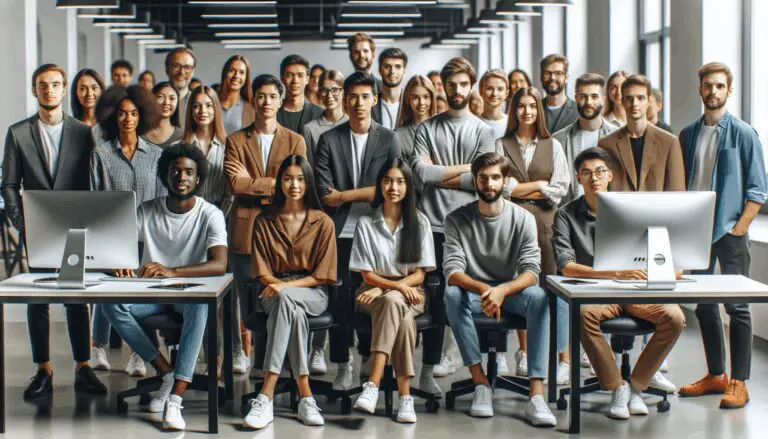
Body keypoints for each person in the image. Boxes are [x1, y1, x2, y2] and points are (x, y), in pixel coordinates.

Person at [553, 147, 685, 419]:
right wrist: (614, 274)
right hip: (597, 293)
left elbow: (658, 251)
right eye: (587, 173)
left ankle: (637, 385)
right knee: (582, 314)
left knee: (674, 317)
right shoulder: (565, 215)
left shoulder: (632, 209)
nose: (594, 178)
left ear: (610, 175)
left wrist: (663, 268)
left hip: (636, 290)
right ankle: (616, 386)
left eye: (600, 171)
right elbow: (566, 265)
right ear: (578, 178)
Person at [103, 144, 228, 431]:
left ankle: (175, 399)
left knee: (200, 305)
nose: (181, 177)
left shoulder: (211, 214)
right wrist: (119, 264)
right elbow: (117, 250)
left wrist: (172, 271)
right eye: (175, 171)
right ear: (165, 176)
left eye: (188, 172)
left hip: (190, 293)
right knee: (111, 303)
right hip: (152, 294)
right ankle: (166, 371)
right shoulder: (146, 210)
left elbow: (219, 264)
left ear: (198, 179)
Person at [2, 63, 106, 400]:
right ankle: (43, 368)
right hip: (38, 230)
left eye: (56, 84)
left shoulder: (82, 132)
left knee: (76, 299)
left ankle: (83, 366)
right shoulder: (18, 133)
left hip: (75, 229)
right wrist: (23, 226)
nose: (49, 90)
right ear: (35, 90)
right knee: (38, 299)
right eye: (43, 85)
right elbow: (8, 185)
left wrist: (90, 226)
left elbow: (93, 185)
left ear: (65, 91)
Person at [442, 152, 559, 427]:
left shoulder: (524, 218)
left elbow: (532, 271)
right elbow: (453, 272)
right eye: (483, 178)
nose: (489, 184)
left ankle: (536, 393)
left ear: (505, 181)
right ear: (475, 181)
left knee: (540, 297)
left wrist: (502, 290)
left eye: (496, 177)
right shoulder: (456, 219)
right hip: (475, 292)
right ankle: (480, 382)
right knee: (451, 294)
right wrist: (487, 289)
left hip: (511, 292)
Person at [678, 62, 768, 409]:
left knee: (738, 307)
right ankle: (716, 375)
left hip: (730, 231)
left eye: (719, 86)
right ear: (700, 89)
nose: (712, 92)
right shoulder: (687, 134)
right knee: (704, 306)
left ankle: (739, 382)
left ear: (728, 91)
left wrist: (739, 228)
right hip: (695, 233)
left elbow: (758, 190)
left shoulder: (744, 133)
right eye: (707, 86)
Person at [314, 72, 402, 391]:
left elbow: (391, 189)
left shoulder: (389, 138)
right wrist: (364, 192)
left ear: (375, 100)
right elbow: (325, 194)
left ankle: (367, 354)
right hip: (339, 234)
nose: (359, 103)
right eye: (352, 96)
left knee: (370, 296)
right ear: (344, 99)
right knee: (340, 299)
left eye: (365, 97)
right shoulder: (329, 139)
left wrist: (346, 195)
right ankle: (342, 364)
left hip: (379, 234)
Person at [410, 57, 495, 381]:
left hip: (469, 226)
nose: (457, 90)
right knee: (434, 297)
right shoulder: (426, 128)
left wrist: (443, 173)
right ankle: (430, 366)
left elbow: (483, 178)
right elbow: (421, 174)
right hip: (432, 226)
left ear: (470, 86)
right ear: (442, 87)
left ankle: (472, 361)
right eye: (451, 84)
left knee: (465, 295)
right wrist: (466, 168)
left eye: (463, 84)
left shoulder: (483, 130)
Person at [242, 155, 336, 430]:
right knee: (289, 309)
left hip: (312, 292)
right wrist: (280, 286)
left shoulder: (323, 222)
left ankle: (266, 393)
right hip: (273, 291)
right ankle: (305, 395)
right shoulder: (264, 220)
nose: (294, 185)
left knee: (287, 300)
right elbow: (262, 272)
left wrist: (285, 287)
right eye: (288, 178)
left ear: (308, 183)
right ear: (279, 182)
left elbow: (322, 275)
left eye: (300, 179)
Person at [224, 73, 308, 378]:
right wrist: (276, 184)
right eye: (260, 96)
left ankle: (273, 361)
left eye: (273, 96)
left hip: (283, 229)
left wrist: (256, 184)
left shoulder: (295, 140)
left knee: (274, 292)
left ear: (281, 100)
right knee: (246, 299)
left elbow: (297, 184)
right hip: (245, 229)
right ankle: (252, 357)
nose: (266, 102)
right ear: (253, 100)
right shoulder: (235, 140)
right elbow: (235, 183)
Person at [90, 85, 166, 377]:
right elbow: (95, 201)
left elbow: (160, 201)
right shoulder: (101, 154)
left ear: (142, 116)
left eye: (134, 113)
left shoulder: (157, 155)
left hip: (146, 238)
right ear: (113, 116)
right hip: (112, 237)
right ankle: (97, 346)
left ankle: (138, 353)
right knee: (107, 293)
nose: (128, 119)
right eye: (122, 113)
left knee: (141, 297)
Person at [351, 159, 435, 423]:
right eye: (387, 181)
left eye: (400, 181)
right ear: (380, 185)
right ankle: (405, 397)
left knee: (394, 303)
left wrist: (391, 288)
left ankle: (372, 384)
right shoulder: (365, 223)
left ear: (409, 186)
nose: (393, 187)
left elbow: (421, 273)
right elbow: (366, 274)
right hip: (370, 292)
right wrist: (390, 287)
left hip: (412, 292)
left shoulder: (420, 223)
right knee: (399, 313)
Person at [497, 86, 571, 383]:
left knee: (556, 289)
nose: (526, 111)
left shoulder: (552, 145)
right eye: (520, 106)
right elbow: (501, 187)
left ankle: (563, 357)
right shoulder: (501, 143)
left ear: (538, 110)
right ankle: (525, 352)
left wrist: (531, 188)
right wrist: (539, 185)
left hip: (546, 224)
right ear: (513, 110)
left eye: (531, 106)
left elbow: (560, 187)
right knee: (521, 286)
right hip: (512, 223)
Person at [598, 74, 685, 193]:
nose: (634, 104)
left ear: (649, 101)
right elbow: (602, 191)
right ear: (622, 101)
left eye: (640, 98)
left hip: (659, 211)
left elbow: (678, 192)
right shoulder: (606, 144)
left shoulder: (669, 142)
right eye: (629, 98)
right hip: (619, 211)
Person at [553, 73, 618, 204]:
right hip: (571, 216)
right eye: (583, 97)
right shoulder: (558, 140)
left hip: (609, 211)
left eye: (594, 96)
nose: (589, 102)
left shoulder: (617, 137)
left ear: (603, 99)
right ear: (576, 98)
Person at [183, 85, 231, 212]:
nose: (202, 111)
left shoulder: (230, 147)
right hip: (187, 217)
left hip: (220, 217)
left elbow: (230, 194)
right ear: (191, 110)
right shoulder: (180, 147)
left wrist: (220, 219)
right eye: (196, 106)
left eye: (209, 105)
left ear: (216, 109)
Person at [302, 69, 348, 165]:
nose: (329, 96)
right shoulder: (309, 129)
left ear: (343, 92)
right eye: (324, 90)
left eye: (335, 90)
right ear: (319, 92)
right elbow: (310, 168)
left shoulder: (353, 124)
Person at [277, 54, 324, 134]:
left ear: (307, 79)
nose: (295, 81)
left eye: (300, 75)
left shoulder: (319, 114)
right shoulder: (272, 112)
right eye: (289, 75)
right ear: (282, 79)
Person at [395, 74, 438, 160]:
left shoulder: (442, 128)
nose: (421, 102)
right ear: (408, 100)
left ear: (432, 98)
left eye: (426, 97)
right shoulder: (398, 135)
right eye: (415, 98)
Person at [539, 54, 578, 134]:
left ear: (566, 78)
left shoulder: (578, 111)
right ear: (541, 77)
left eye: (558, 73)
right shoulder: (534, 109)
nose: (552, 77)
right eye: (547, 73)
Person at [218, 55, 255, 136]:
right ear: (225, 73)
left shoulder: (251, 109)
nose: (236, 76)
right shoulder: (212, 103)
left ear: (246, 78)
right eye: (232, 71)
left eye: (241, 72)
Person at [372, 48, 407, 130]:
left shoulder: (411, 103)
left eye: (398, 67)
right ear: (379, 70)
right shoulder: (370, 103)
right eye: (387, 66)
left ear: (404, 71)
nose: (392, 71)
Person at [143, 81, 184, 148]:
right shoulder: (140, 134)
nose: (166, 102)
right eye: (160, 97)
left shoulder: (182, 137)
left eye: (172, 98)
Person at [71, 68, 105, 145]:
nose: (89, 94)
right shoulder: (69, 127)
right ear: (76, 92)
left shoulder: (111, 125)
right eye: (83, 89)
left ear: (101, 91)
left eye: (94, 88)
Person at [165, 47, 197, 130]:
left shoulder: (199, 103)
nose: (182, 72)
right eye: (176, 66)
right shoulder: (152, 102)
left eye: (187, 67)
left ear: (193, 71)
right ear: (167, 69)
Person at [478, 68, 510, 139]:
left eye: (500, 89)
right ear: (480, 91)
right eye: (489, 88)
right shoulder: (472, 123)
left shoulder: (513, 124)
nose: (494, 94)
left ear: (506, 93)